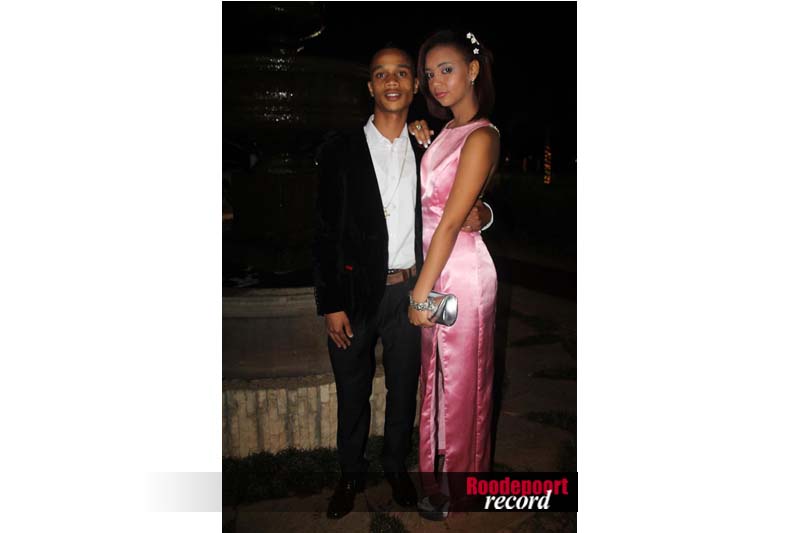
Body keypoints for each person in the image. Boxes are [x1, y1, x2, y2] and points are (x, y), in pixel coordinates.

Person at [311, 46, 492, 520]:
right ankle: (350, 473)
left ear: (414, 86)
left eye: (402, 73)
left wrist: (485, 212)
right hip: (353, 294)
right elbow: (324, 231)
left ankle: (395, 465)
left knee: (404, 388)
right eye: (381, 74)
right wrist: (330, 303)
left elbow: (456, 199)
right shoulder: (339, 148)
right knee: (352, 391)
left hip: (411, 291)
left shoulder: (427, 146)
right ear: (370, 86)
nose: (391, 81)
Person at [406, 29, 501, 520]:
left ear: (473, 70)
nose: (436, 81)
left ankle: (461, 489)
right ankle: (438, 474)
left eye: (447, 69)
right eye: (429, 74)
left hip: (460, 273)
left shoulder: (483, 135)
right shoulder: (444, 131)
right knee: (437, 377)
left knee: (463, 383)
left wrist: (419, 292)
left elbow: (449, 221)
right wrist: (420, 136)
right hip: (437, 269)